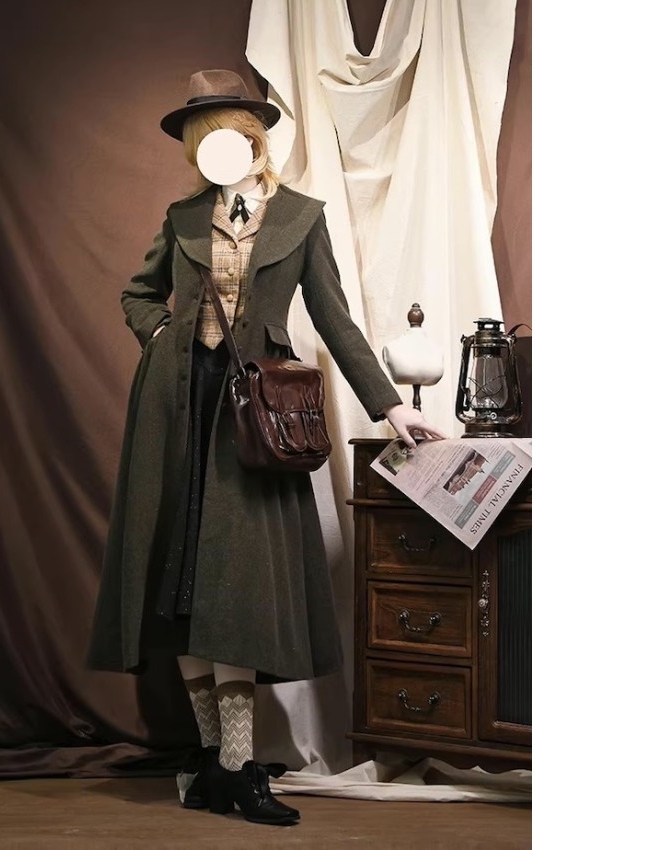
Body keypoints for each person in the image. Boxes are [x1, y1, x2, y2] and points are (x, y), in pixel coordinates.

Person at [86, 69, 446, 826]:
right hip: (175, 408)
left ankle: (236, 765)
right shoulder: (183, 216)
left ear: (252, 138)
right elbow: (137, 293)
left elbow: (335, 319)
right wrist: (161, 333)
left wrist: (389, 407)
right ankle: (217, 764)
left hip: (256, 416)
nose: (215, 144)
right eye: (202, 135)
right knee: (181, 583)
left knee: (238, 588)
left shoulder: (301, 217)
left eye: (227, 131)